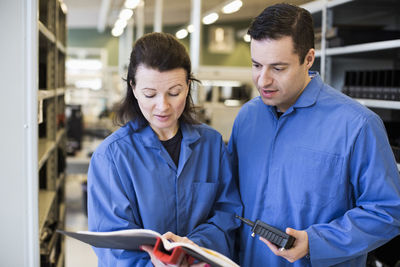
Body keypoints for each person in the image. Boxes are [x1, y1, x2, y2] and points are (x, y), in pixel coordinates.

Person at [228, 3, 400, 266]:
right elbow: (230, 199)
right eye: (256, 65)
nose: (263, 81)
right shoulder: (247, 118)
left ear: (308, 59)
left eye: (278, 68)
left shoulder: (357, 125)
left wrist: (317, 241)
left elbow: (389, 211)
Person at [87, 32, 242, 266]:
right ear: (133, 87)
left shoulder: (211, 145)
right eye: (150, 94)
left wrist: (193, 247)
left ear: (189, 86)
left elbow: (227, 215)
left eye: (174, 92)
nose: (163, 106)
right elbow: (112, 246)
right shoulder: (112, 157)